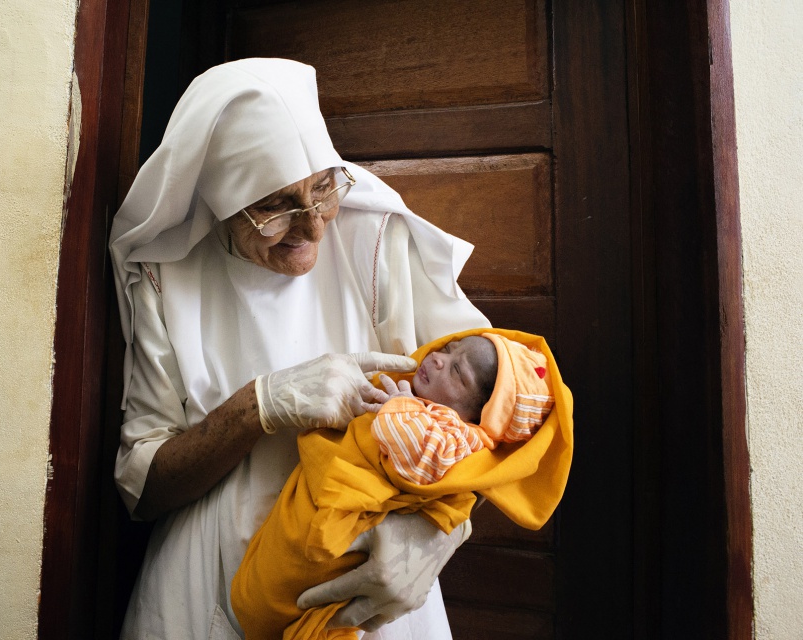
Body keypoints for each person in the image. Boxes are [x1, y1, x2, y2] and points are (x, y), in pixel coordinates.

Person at [110, 58, 497, 640]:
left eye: (322, 189)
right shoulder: (167, 279)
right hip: (205, 592)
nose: (315, 227)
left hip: (370, 590)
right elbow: (145, 490)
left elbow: (507, 410)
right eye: (276, 206)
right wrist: (258, 406)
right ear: (219, 197)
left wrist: (436, 536)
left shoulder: (375, 241)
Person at [231, 328, 574, 639]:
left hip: (346, 533)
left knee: (308, 604)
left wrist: (397, 408)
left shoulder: (460, 439)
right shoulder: (429, 408)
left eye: (458, 372)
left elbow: (417, 456)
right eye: (450, 349)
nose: (439, 359)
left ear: (481, 416)